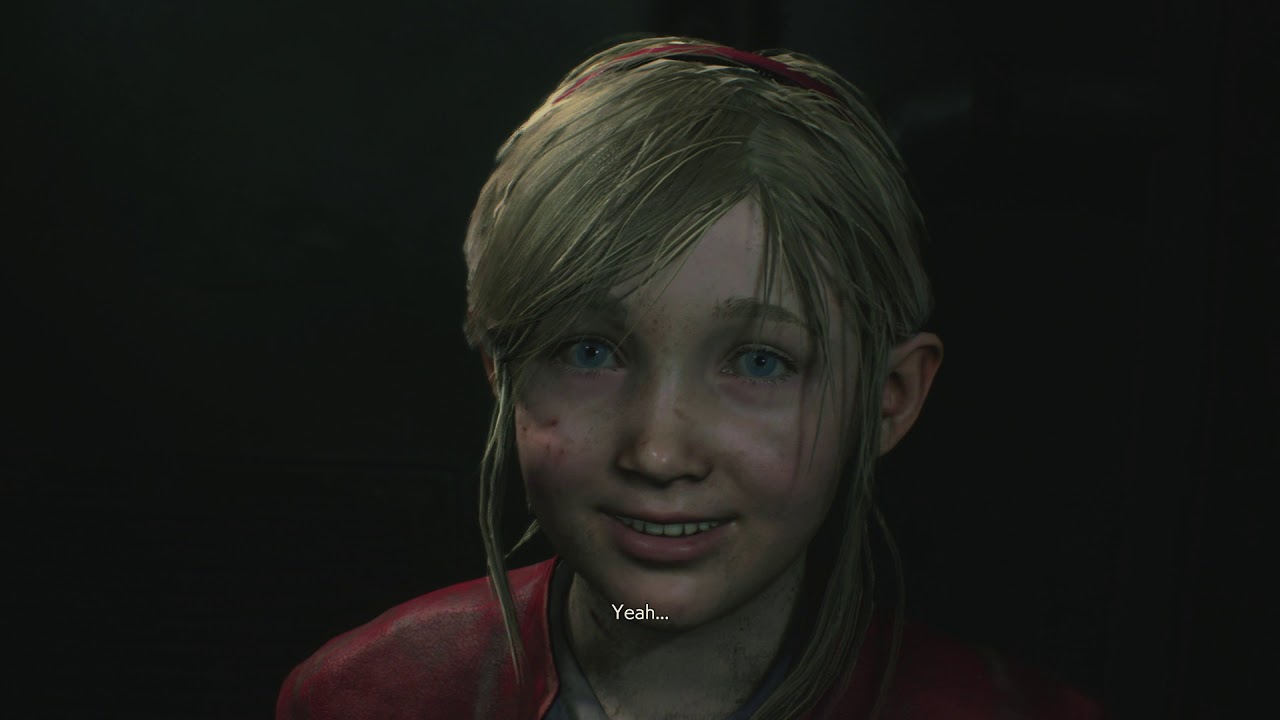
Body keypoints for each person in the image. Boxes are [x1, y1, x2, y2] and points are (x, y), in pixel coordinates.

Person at [276, 36, 1102, 719]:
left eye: (760, 362)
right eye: (589, 352)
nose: (659, 454)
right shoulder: (370, 699)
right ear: (504, 374)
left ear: (890, 400)